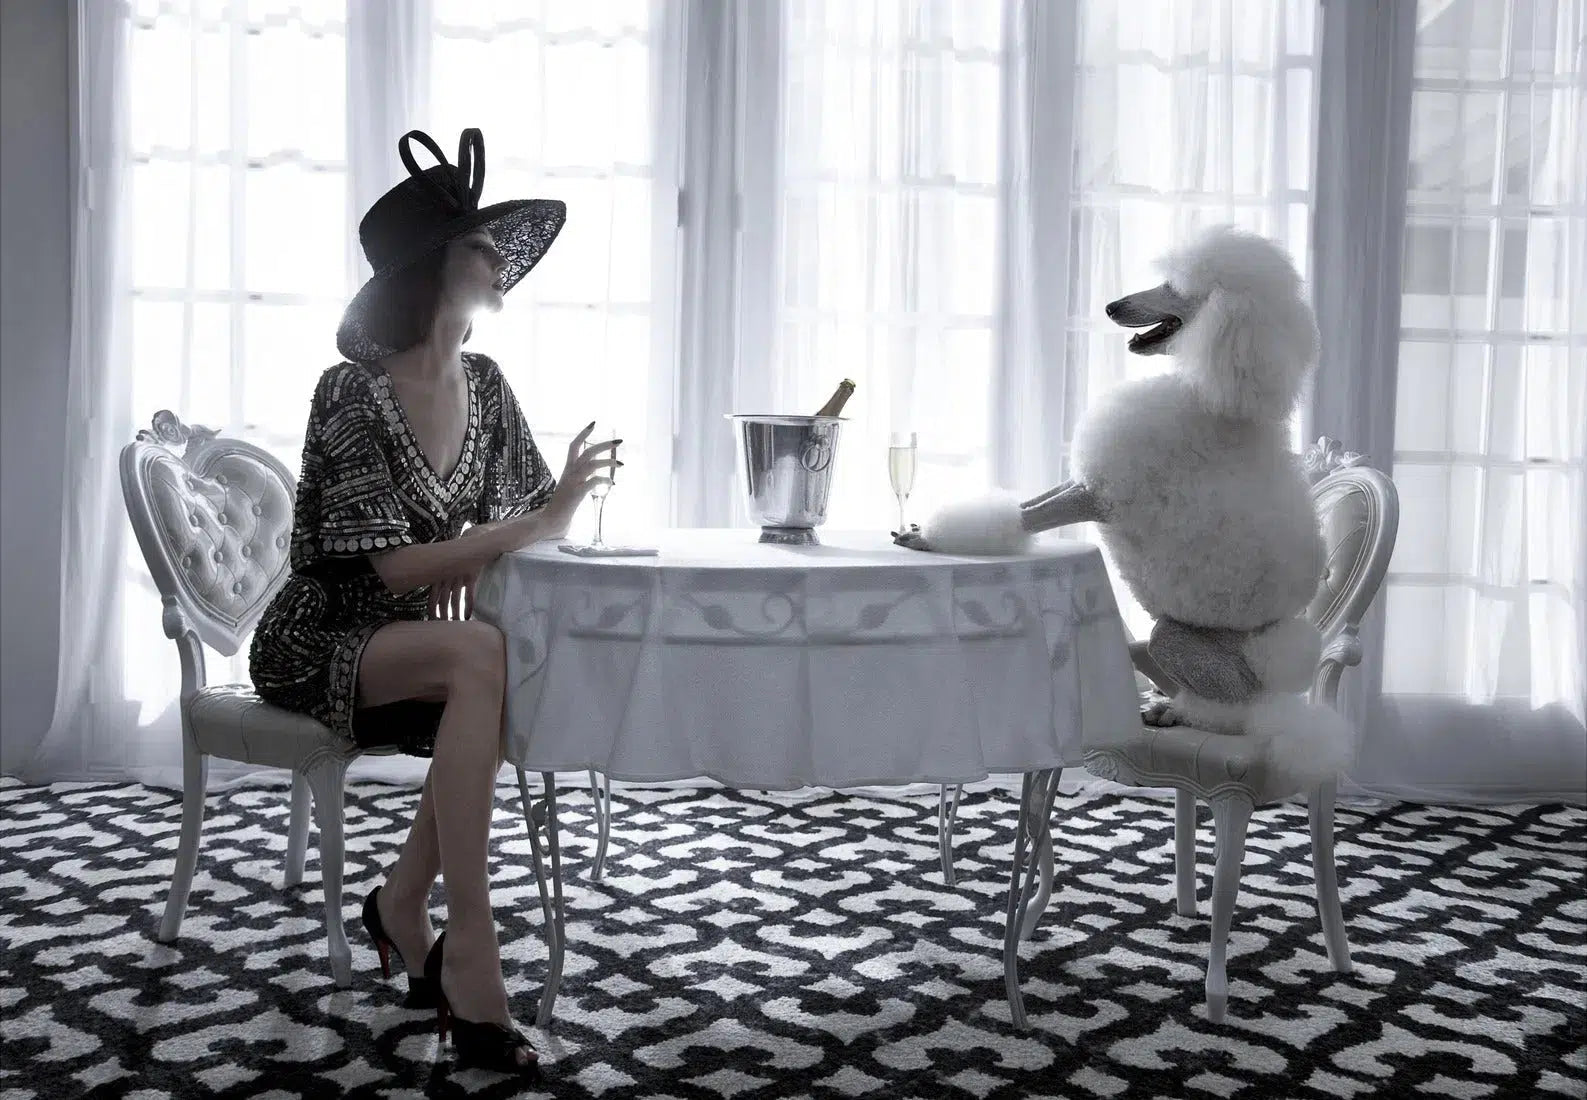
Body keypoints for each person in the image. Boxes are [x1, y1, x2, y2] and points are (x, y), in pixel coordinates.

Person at [249, 128, 617, 1073]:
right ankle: (471, 946)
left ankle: (403, 904)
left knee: (489, 661)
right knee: (480, 656)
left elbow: (529, 521)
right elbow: (387, 572)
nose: (499, 262)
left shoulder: (486, 385)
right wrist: (523, 526)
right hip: (320, 636)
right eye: (480, 245)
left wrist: (545, 513)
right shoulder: (351, 392)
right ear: (433, 267)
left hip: (424, 640)